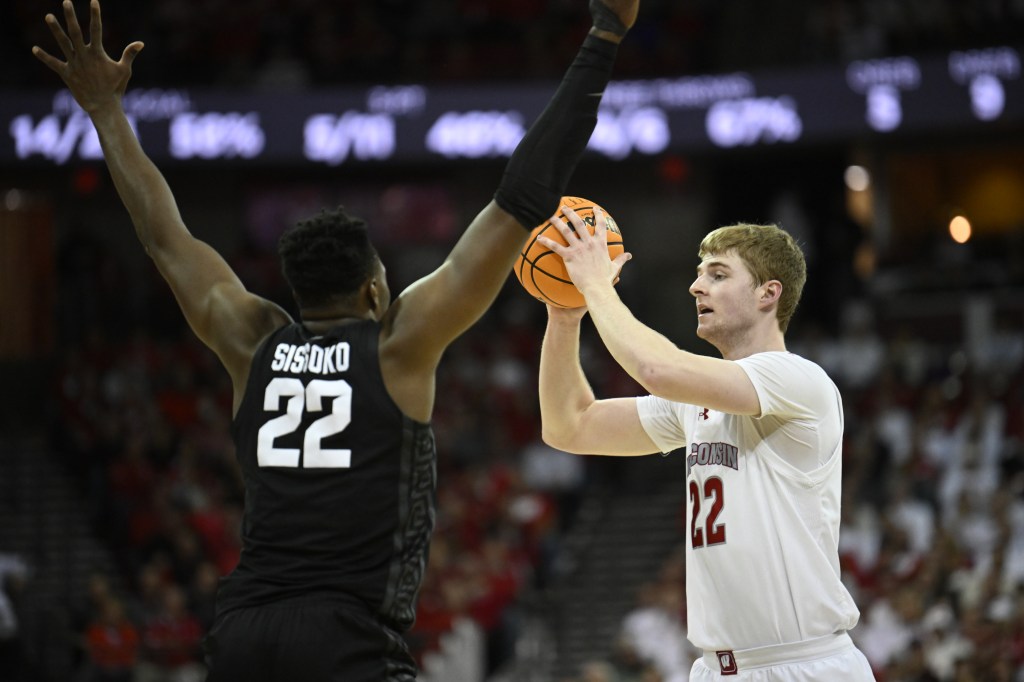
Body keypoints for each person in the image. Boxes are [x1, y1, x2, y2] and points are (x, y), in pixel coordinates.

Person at [33, 0, 639, 679]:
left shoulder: (248, 338)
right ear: (375, 291)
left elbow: (163, 236)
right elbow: (523, 197)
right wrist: (604, 37)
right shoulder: (400, 344)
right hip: (347, 637)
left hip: (245, 632)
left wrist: (107, 114)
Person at [535, 211, 876, 680]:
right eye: (698, 276)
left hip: (802, 664)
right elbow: (568, 426)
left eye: (717, 275)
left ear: (768, 294)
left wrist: (597, 286)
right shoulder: (692, 404)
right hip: (716, 669)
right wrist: (565, 314)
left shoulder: (798, 378)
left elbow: (658, 369)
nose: (697, 287)